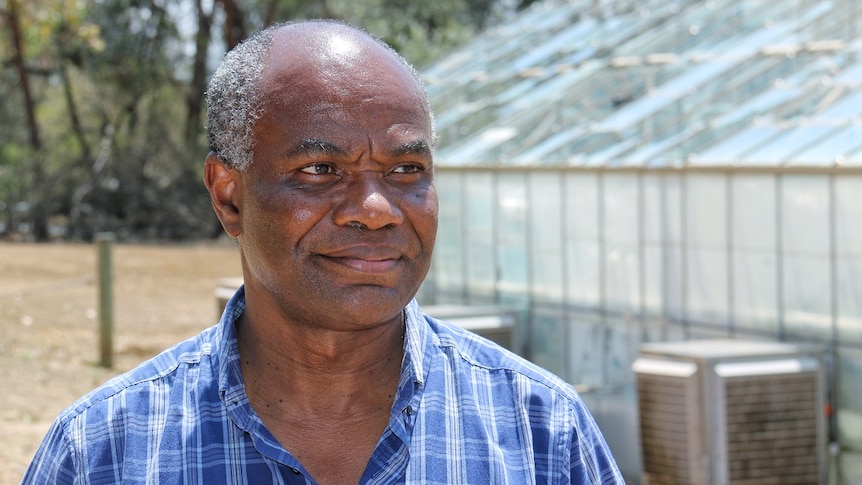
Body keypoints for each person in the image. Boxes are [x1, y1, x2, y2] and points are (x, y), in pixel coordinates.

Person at [22, 20, 624, 484]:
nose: (376, 208)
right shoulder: (106, 450)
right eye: (321, 169)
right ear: (228, 197)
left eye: (407, 169)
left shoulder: (540, 433)